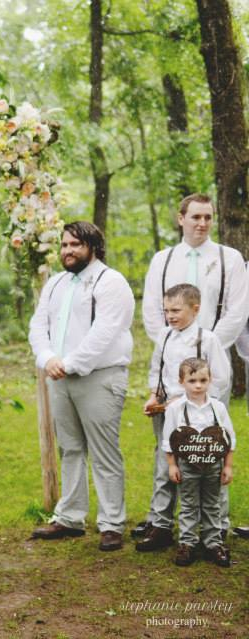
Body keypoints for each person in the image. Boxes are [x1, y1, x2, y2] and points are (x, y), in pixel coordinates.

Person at [138, 193, 247, 541]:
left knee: (210, 446)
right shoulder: (164, 259)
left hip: (209, 370)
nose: (202, 223)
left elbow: (237, 312)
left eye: (208, 217)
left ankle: (213, 526)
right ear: (181, 218)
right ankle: (162, 523)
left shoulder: (229, 258)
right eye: (195, 217)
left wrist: (203, 349)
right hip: (170, 368)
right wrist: (174, 349)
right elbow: (154, 312)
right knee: (168, 448)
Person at [28, 221, 133, 552]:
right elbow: (38, 324)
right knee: (70, 448)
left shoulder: (110, 281)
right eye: (64, 245)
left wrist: (68, 364)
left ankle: (112, 522)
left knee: (104, 450)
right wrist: (46, 358)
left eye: (75, 245)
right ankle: (70, 517)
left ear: (93, 247)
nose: (68, 251)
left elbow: (105, 332)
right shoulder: (56, 283)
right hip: (58, 376)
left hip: (99, 376)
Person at [136, 284, 229, 553]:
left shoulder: (207, 339)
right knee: (165, 466)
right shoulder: (165, 336)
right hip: (166, 413)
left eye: (176, 310)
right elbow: (157, 370)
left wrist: (187, 400)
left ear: (195, 309)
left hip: (197, 418)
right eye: (166, 310)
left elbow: (220, 380)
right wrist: (154, 396)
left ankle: (215, 526)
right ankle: (161, 525)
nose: (170, 316)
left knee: (207, 467)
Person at [162, 358, 235, 567]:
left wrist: (228, 466)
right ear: (181, 381)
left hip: (213, 464)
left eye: (203, 380)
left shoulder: (218, 408)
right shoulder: (175, 409)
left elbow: (229, 439)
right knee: (188, 504)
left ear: (210, 380)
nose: (198, 385)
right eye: (192, 380)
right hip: (187, 465)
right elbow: (168, 440)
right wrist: (172, 465)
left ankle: (213, 543)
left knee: (213, 504)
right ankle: (187, 543)